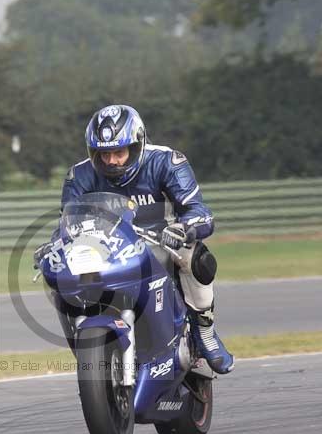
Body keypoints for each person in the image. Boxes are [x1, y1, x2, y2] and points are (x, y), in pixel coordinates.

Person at [35, 103, 234, 374]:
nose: (111, 161)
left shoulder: (166, 162)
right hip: (109, 249)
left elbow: (199, 212)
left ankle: (204, 330)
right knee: (58, 272)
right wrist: (53, 244)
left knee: (196, 257)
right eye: (103, 154)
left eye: (118, 152)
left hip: (162, 244)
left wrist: (185, 229)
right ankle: (87, 343)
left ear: (137, 145)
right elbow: (67, 224)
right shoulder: (79, 175)